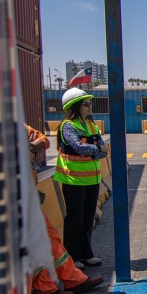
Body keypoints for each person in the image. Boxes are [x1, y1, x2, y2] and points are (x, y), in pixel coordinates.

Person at [0, 80, 103, 294]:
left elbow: (42, 140)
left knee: (48, 236)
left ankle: (72, 280)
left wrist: (26, 146)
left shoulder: (13, 124)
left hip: (23, 194)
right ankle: (42, 291)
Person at [53, 87, 107, 268]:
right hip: (73, 180)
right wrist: (96, 149)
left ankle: (86, 253)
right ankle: (72, 257)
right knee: (75, 220)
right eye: (86, 104)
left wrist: (94, 150)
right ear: (75, 106)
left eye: (90, 103)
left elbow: (103, 150)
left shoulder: (92, 125)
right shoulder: (68, 126)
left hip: (92, 180)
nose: (90, 106)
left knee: (87, 219)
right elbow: (78, 147)